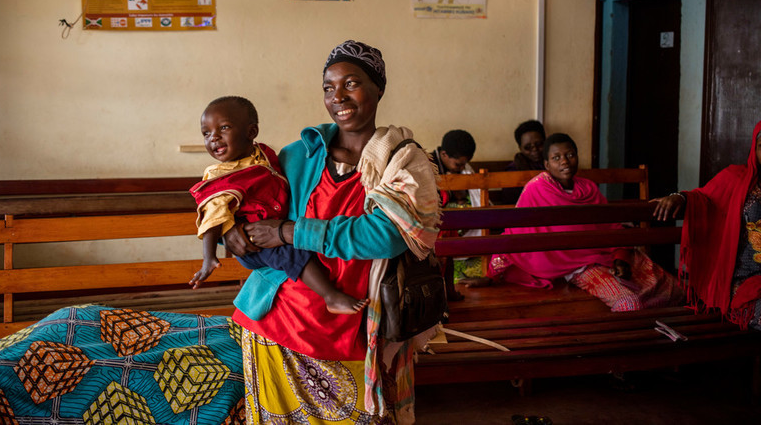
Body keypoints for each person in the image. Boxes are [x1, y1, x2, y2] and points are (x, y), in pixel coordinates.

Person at [225, 40, 440, 424]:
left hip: (362, 329)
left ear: (379, 89)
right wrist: (234, 232)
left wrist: (290, 231)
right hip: (279, 322)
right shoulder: (296, 156)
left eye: (351, 83)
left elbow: (385, 235)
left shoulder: (403, 161)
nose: (338, 96)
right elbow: (255, 220)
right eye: (328, 87)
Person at [189, 96, 368, 315]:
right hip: (254, 238)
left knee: (301, 248)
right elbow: (212, 217)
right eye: (206, 133)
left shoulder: (263, 155)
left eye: (224, 128)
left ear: (251, 132)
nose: (214, 138)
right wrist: (209, 257)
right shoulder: (222, 176)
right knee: (293, 253)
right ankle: (331, 296)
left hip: (275, 227)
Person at [486, 133, 682, 312]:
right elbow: (515, 231)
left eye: (570, 155)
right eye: (556, 158)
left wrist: (620, 256)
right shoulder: (536, 189)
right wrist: (491, 275)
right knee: (629, 303)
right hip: (582, 266)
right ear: (546, 164)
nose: (565, 161)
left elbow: (611, 226)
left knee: (676, 290)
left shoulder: (587, 188)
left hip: (610, 255)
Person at [653, 120, 761, 329]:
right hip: (743, 287)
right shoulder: (735, 178)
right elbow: (703, 199)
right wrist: (680, 198)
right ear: (754, 150)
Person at [430, 129, 483, 301]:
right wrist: (454, 195)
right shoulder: (427, 165)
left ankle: (449, 288)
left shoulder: (462, 168)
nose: (462, 169)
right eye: (459, 165)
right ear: (444, 154)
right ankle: (441, 290)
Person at [502, 119, 546, 204]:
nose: (535, 150)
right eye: (528, 147)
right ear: (520, 148)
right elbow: (509, 203)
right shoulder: (514, 170)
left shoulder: (555, 165)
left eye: (539, 144)